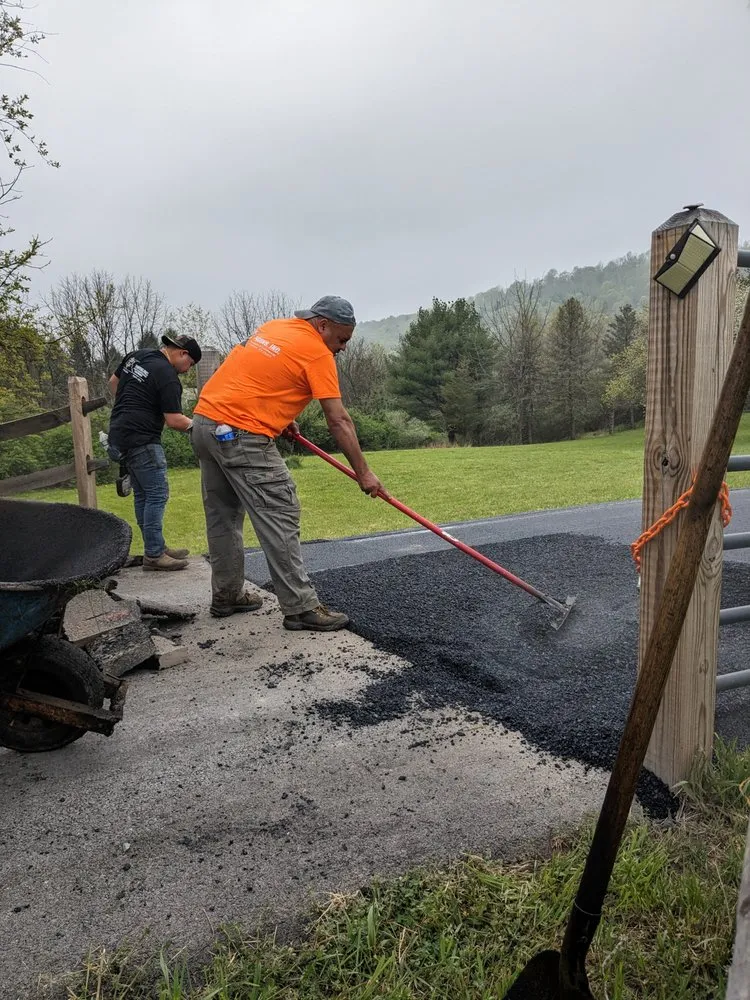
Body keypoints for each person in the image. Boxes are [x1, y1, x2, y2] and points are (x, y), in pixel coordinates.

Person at [192, 295, 385, 630]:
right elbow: (338, 420)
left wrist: (278, 420)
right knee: (280, 511)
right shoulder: (316, 352)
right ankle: (300, 607)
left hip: (205, 424)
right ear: (322, 325)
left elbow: (255, 377)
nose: (342, 348)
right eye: (341, 339)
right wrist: (363, 473)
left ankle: (227, 596)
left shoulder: (276, 327)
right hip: (241, 435)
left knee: (222, 518)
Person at [107, 331, 201, 571]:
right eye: (189, 364)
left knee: (143, 495)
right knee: (157, 495)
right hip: (143, 440)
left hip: (119, 435)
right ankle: (154, 554)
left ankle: (155, 545)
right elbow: (174, 420)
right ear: (182, 353)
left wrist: (134, 407)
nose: (187, 370)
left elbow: (113, 383)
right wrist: (201, 428)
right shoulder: (167, 376)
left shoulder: (136, 356)